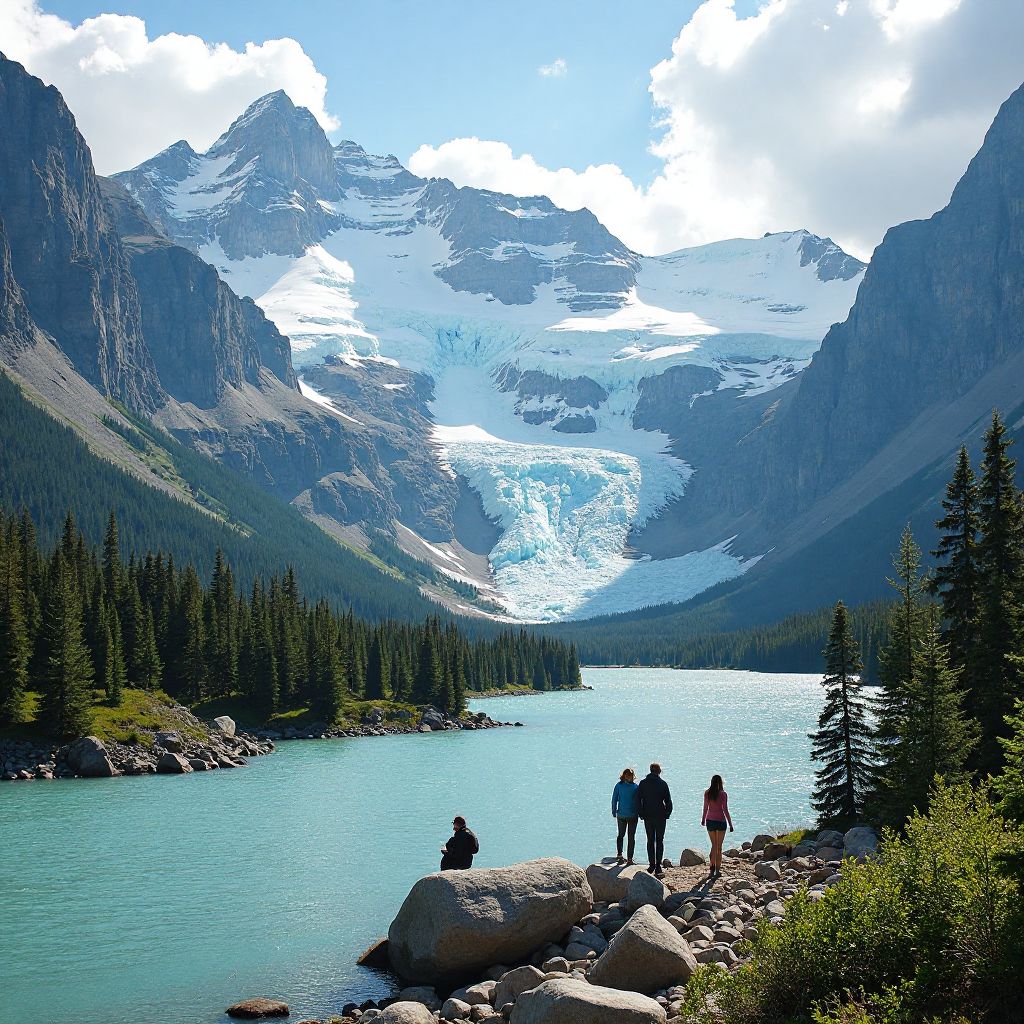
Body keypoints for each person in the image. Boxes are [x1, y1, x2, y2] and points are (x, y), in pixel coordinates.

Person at [636, 762, 672, 877]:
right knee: (659, 840)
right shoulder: (662, 784)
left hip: (648, 815)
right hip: (660, 815)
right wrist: (667, 813)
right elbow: (668, 801)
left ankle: (651, 864)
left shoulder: (643, 783)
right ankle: (658, 866)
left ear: (650, 770)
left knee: (650, 840)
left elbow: (638, 800)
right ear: (659, 771)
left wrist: (640, 813)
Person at [701, 774, 734, 879]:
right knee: (719, 847)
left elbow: (705, 808)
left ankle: (711, 869)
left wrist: (703, 820)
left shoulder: (707, 793)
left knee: (713, 846)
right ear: (721, 782)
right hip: (721, 821)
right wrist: (730, 824)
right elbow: (725, 810)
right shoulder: (723, 794)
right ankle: (717, 871)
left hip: (710, 821)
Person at [611, 768, 639, 865]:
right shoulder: (634, 787)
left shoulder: (622, 786)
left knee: (629, 836)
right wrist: (614, 811)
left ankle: (629, 858)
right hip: (624, 815)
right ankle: (620, 855)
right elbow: (614, 799)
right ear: (624, 776)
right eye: (628, 776)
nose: (630, 777)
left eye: (631, 776)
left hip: (630, 815)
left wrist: (614, 811)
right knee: (622, 835)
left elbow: (614, 799)